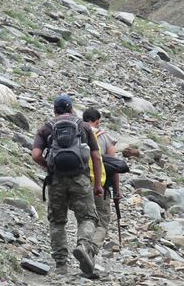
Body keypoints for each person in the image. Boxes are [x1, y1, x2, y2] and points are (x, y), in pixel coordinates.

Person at [32, 94, 103, 276]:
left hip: (56, 180)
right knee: (88, 218)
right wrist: (97, 184)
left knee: (57, 221)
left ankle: (61, 265)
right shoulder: (84, 126)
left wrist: (48, 166)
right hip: (80, 179)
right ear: (71, 109)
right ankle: (83, 245)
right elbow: (96, 156)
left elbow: (35, 155)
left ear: (55, 110)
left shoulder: (47, 128)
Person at [82, 107, 122, 251]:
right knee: (102, 220)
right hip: (99, 186)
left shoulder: (77, 134)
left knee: (85, 219)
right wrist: (117, 190)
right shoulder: (104, 136)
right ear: (97, 121)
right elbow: (114, 165)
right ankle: (90, 249)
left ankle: (82, 243)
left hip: (78, 184)